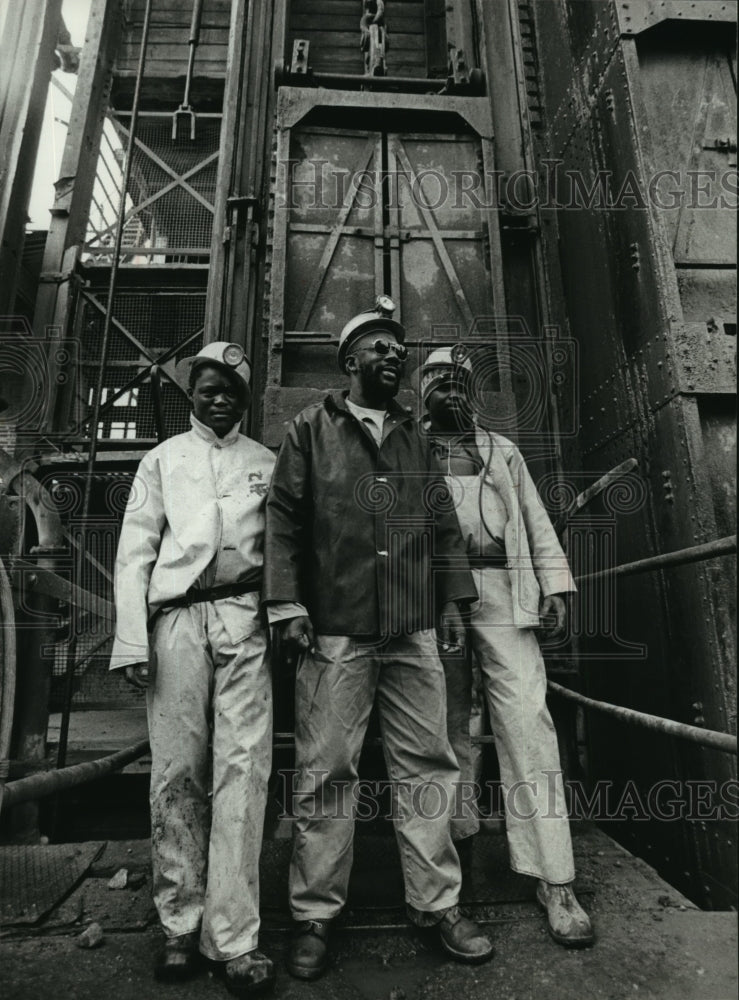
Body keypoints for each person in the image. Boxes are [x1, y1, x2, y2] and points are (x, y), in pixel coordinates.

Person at [263, 297, 494, 980]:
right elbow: (282, 519)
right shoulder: (310, 428)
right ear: (348, 361)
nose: (393, 357)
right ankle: (314, 915)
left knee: (427, 764)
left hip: (411, 626)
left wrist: (453, 600)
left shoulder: (415, 438)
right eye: (378, 348)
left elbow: (441, 521)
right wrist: (284, 601)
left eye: (398, 350)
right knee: (327, 770)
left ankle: (437, 905)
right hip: (335, 627)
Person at [110, 342, 291, 997]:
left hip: (244, 619)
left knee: (245, 771)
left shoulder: (265, 464)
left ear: (245, 397)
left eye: (230, 389)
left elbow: (281, 550)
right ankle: (179, 925)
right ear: (192, 391)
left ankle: (235, 938)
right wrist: (134, 642)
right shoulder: (162, 460)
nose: (219, 398)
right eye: (208, 387)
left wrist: (281, 616)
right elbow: (134, 552)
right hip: (178, 623)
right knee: (177, 769)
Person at [416, 345, 594, 948]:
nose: (453, 392)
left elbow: (537, 522)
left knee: (528, 722)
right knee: (443, 733)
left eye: (461, 384)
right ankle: (448, 869)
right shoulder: (408, 452)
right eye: (441, 383)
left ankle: (556, 879)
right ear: (422, 393)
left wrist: (555, 587)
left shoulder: (503, 451)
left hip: (505, 594)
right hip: (439, 600)